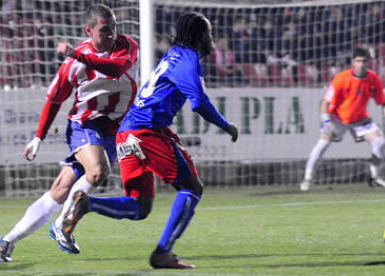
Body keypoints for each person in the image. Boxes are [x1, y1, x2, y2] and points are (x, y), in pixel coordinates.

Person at [58, 12, 238, 269]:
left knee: (140, 207)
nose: (212, 38)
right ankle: (162, 254)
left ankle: (86, 203)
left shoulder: (174, 54)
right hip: (148, 131)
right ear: (198, 36)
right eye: (208, 33)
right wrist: (226, 125)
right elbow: (199, 103)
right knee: (191, 188)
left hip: (126, 133)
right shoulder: (188, 60)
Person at [0, 4, 139, 262]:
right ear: (89, 30)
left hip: (113, 130)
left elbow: (116, 69)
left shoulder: (127, 45)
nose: (111, 35)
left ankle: (6, 242)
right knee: (98, 171)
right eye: (105, 30)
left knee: (62, 189)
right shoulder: (73, 64)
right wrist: (39, 136)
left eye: (114, 28)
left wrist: (75, 54)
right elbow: (54, 100)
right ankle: (63, 223)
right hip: (84, 126)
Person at [299, 47, 385, 192]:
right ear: (352, 62)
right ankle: (307, 178)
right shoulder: (341, 78)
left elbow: (382, 101)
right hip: (337, 118)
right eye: (358, 61)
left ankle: (374, 177)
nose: (361, 64)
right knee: (322, 144)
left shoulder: (374, 79)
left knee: (380, 141)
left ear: (368, 62)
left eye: (364, 61)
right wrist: (325, 121)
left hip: (360, 119)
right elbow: (325, 102)